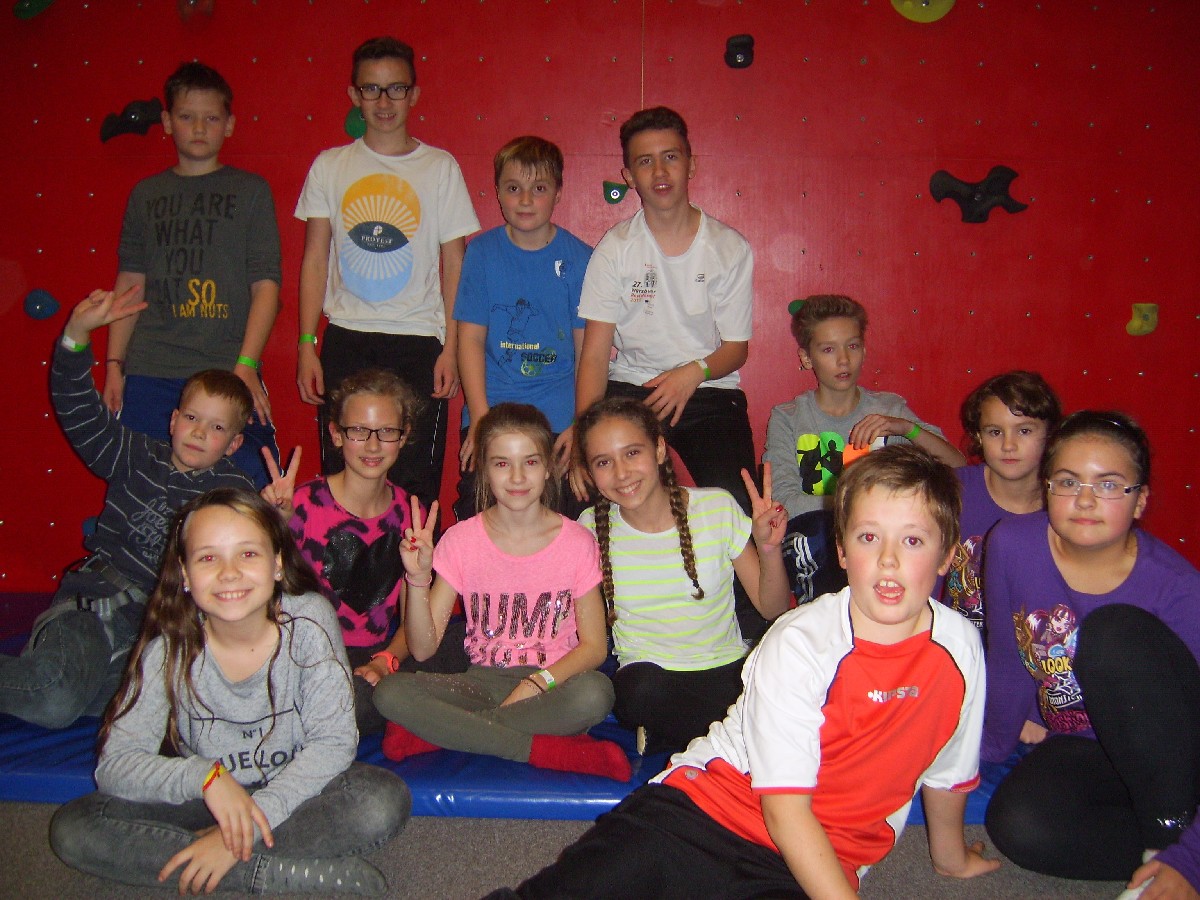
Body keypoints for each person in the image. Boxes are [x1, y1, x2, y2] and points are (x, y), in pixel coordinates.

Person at [489, 445, 998, 899]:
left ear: (947, 555)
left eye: (913, 541)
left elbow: (947, 770)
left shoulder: (959, 649)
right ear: (842, 551)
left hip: (809, 859)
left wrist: (950, 859)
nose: (888, 560)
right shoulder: (802, 641)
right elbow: (784, 808)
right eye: (869, 537)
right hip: (702, 810)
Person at [48, 489, 409, 895]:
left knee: (380, 801)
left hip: (295, 792)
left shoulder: (308, 621)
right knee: (76, 826)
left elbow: (333, 744)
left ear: (277, 564)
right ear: (185, 575)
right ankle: (269, 873)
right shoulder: (169, 649)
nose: (229, 572)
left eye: (248, 554)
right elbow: (115, 765)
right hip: (209, 799)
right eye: (208, 558)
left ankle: (217, 851)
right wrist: (205, 777)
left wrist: (246, 826)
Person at [0, 286, 253, 729]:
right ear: (173, 420)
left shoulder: (234, 495)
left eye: (216, 428)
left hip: (154, 633)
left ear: (233, 444)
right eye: (191, 418)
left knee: (157, 709)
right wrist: (77, 336)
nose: (198, 432)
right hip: (94, 605)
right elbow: (79, 410)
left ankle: (62, 673)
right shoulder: (135, 455)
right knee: (54, 701)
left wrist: (278, 519)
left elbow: (258, 559)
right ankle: (55, 674)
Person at [981, 411, 1200, 892]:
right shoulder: (1011, 544)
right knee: (1018, 825)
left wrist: (1192, 861)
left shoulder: (1179, 588)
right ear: (1046, 489)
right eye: (1067, 482)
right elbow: (1008, 661)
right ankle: (1163, 846)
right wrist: (981, 755)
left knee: (1111, 635)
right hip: (1086, 745)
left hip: (1175, 756)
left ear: (1140, 500)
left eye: (1108, 485)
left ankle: (1171, 843)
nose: (1084, 500)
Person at [372, 404, 629, 780]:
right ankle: (542, 749)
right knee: (390, 692)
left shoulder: (577, 541)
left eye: (530, 462)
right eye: (502, 463)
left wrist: (536, 682)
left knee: (596, 693)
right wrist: (417, 578)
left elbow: (594, 647)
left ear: (548, 467)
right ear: (484, 469)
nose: (517, 477)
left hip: (553, 684)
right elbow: (424, 649)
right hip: (480, 682)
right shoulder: (460, 540)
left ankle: (444, 733)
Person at [295, 35, 480, 513]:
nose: (383, 102)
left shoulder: (439, 167)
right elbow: (315, 258)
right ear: (354, 95)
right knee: (345, 480)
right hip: (346, 339)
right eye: (371, 89)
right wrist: (307, 344)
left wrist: (452, 347)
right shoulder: (330, 166)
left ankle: (411, 567)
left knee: (413, 484)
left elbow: (455, 262)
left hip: (419, 342)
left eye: (396, 89)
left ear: (413, 94)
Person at [574, 397, 791, 756]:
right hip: (650, 678)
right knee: (637, 691)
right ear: (590, 471)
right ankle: (732, 735)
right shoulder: (589, 529)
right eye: (604, 462)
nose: (622, 473)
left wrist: (769, 550)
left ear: (659, 449)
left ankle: (686, 735)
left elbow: (773, 608)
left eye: (632, 453)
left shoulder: (717, 507)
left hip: (725, 669)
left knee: (776, 678)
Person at [568, 106, 755, 515]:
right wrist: (584, 439)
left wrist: (693, 373)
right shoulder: (615, 249)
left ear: (691, 164)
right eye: (645, 161)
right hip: (634, 390)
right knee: (581, 493)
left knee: (740, 504)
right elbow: (595, 355)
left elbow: (736, 349)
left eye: (670, 156)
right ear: (629, 176)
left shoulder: (729, 248)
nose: (660, 171)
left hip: (708, 389)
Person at [104, 61, 281, 488]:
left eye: (211, 118)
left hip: (227, 369)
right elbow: (130, 285)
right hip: (152, 367)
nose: (199, 128)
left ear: (229, 125)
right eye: (187, 117)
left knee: (250, 483)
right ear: (167, 122)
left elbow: (266, 286)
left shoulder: (251, 191)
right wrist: (114, 364)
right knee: (144, 484)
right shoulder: (146, 194)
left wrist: (246, 365)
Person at [263, 368, 466, 736]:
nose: (373, 446)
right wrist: (271, 528)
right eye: (358, 430)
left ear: (403, 436)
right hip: (307, 658)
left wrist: (386, 660)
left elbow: (413, 622)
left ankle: (386, 712)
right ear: (336, 434)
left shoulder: (410, 514)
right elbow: (262, 604)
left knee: (465, 642)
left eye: (386, 431)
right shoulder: (301, 506)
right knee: (351, 701)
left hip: (376, 656)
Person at [764, 294, 965, 604]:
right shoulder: (789, 417)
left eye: (853, 346)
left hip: (882, 538)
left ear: (864, 350)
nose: (844, 360)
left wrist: (905, 428)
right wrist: (859, 507)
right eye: (828, 349)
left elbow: (957, 466)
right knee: (822, 531)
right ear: (806, 358)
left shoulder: (888, 409)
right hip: (817, 539)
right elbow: (783, 501)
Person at [452, 135, 592, 523]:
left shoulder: (580, 259)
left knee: (569, 517)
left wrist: (581, 425)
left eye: (539, 189)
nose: (526, 200)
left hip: (560, 422)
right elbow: (470, 340)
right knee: (482, 518)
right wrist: (480, 420)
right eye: (514, 188)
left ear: (558, 193)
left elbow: (588, 354)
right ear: (498, 192)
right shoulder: (481, 253)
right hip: (493, 413)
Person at [939, 370, 1061, 631]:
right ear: (979, 437)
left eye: (1024, 430)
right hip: (956, 644)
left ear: (1050, 436)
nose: (1008, 445)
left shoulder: (1066, 505)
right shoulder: (951, 491)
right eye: (995, 432)